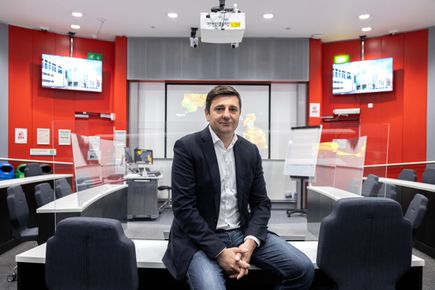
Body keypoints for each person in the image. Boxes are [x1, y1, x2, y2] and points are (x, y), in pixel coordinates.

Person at [163, 85, 314, 290]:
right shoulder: (187, 147)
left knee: (303, 269)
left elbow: (261, 204)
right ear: (207, 114)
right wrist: (219, 252)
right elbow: (183, 209)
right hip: (199, 238)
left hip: (243, 232)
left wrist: (250, 242)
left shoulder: (249, 151)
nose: (227, 115)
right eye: (219, 109)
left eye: (233, 109)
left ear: (239, 114)